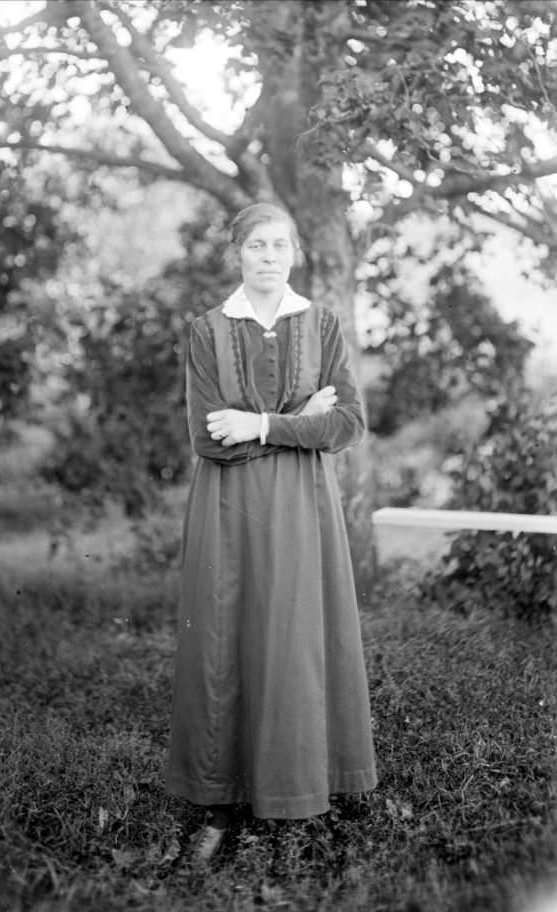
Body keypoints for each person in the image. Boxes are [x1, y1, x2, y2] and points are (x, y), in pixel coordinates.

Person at [165, 202, 377, 861]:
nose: (269, 257)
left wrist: (259, 425)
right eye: (257, 246)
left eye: (280, 246)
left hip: (302, 512)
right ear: (238, 253)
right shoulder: (207, 329)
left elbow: (344, 425)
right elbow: (207, 435)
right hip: (226, 509)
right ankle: (219, 807)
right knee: (224, 647)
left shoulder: (323, 324)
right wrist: (295, 421)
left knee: (293, 646)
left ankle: (294, 810)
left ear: (294, 253)